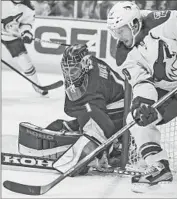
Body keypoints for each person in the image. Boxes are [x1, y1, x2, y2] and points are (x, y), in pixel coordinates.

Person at [19, 44, 125, 175]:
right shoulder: (88, 66)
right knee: (64, 124)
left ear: (85, 64)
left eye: (73, 70)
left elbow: (105, 124)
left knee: (94, 130)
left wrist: (101, 149)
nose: (69, 75)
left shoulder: (94, 85)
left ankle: (109, 149)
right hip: (111, 104)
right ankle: (85, 136)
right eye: (66, 69)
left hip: (121, 112)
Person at [107, 1, 177, 192]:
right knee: (136, 118)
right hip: (169, 93)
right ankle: (159, 166)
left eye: (121, 30)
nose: (118, 36)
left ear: (135, 24)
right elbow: (141, 82)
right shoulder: (122, 54)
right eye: (114, 31)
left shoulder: (164, 23)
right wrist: (144, 105)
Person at [1, 0, 48, 96]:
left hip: (11, 35)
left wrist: (26, 32)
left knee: (25, 61)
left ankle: (36, 84)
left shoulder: (28, 7)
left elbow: (26, 23)